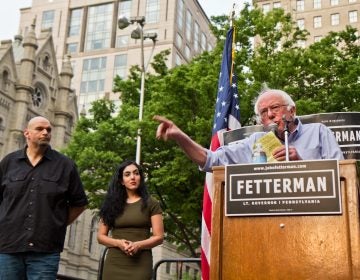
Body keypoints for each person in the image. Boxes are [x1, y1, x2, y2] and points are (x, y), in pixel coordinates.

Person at [153, 87, 344, 171]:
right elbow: (211, 160)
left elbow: (341, 173)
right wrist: (180, 136)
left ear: (292, 110)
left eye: (275, 108)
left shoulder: (318, 131)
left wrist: (301, 163)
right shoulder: (257, 142)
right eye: (263, 112)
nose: (269, 115)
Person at [0, 116, 88, 279]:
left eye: (48, 130)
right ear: (27, 133)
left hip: (45, 250)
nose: (45, 132)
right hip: (8, 247)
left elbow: (79, 204)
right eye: (39, 129)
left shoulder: (65, 165)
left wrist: (57, 224)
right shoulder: (8, 162)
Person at [97, 160, 164, 280]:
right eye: (127, 174)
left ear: (140, 177)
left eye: (136, 173)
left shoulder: (152, 203)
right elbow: (101, 236)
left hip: (141, 263)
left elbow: (159, 237)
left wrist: (138, 245)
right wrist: (118, 243)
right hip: (114, 263)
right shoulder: (110, 204)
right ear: (121, 181)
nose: (132, 177)